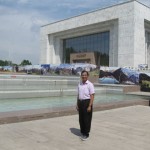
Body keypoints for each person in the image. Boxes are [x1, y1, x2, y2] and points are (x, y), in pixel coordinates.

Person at [76, 70, 95, 141]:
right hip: (80, 102)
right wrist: (77, 104)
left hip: (87, 102)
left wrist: (90, 105)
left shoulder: (90, 84)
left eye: (85, 75)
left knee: (87, 119)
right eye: (82, 75)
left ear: (87, 76)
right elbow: (78, 95)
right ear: (81, 76)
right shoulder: (79, 84)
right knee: (81, 118)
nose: (84, 76)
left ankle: (86, 134)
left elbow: (92, 95)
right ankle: (82, 131)